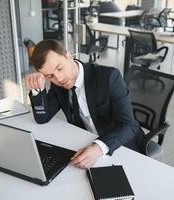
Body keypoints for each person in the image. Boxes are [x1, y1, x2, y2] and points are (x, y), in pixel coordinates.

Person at [26, 39, 143, 169]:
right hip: (84, 144)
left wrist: (98, 148)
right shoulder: (58, 85)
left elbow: (129, 125)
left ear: (68, 56)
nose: (59, 78)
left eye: (59, 68)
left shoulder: (109, 77)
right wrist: (37, 89)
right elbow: (43, 117)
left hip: (120, 146)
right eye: (49, 76)